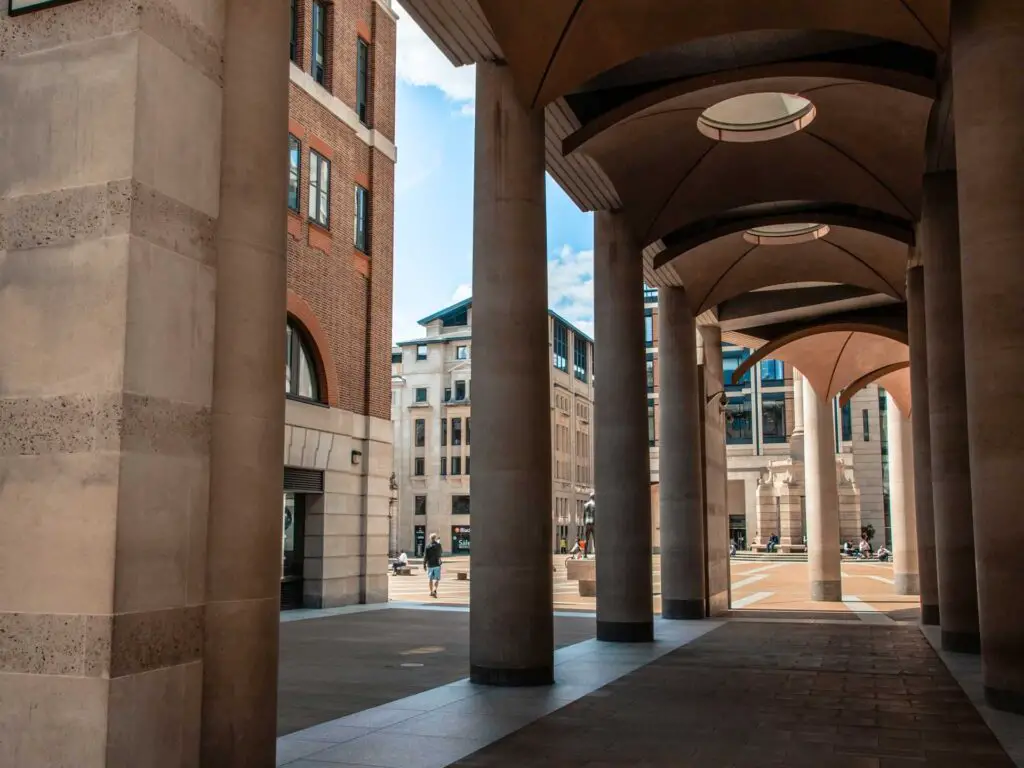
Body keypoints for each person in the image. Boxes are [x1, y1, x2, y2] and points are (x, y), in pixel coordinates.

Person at [423, 533, 443, 598]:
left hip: (430, 564)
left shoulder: (428, 546)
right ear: (435, 538)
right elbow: (440, 553)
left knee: (430, 578)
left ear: (430, 538)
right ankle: (435, 590)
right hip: (437, 564)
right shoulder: (438, 545)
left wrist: (424, 564)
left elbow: (425, 556)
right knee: (437, 579)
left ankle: (431, 592)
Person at [582, 491, 596, 558]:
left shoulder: (585, 505)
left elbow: (584, 516)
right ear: (594, 497)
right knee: (595, 539)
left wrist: (584, 524)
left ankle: (585, 554)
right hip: (593, 523)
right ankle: (597, 553)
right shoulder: (595, 504)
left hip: (587, 523)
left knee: (586, 539)